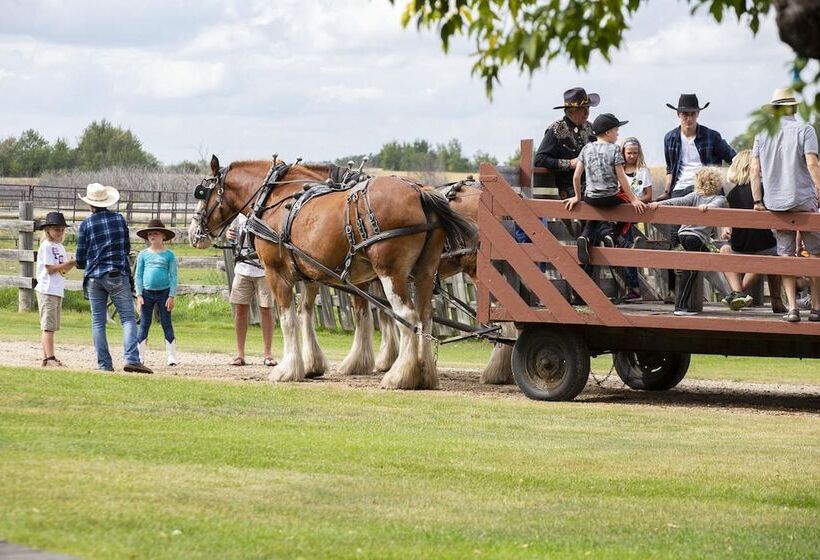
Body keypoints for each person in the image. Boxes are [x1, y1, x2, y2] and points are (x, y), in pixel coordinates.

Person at [751, 87, 820, 323]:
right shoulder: (805, 130)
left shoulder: (761, 134)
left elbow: (754, 170)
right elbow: (812, 164)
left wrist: (758, 201)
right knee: (816, 253)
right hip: (803, 201)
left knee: (785, 255)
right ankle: (816, 307)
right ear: (794, 108)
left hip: (776, 204)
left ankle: (792, 308)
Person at [659, 94, 736, 300]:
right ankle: (674, 291)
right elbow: (671, 168)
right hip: (680, 188)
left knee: (709, 239)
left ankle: (726, 291)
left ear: (698, 114)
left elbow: (733, 157)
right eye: (685, 114)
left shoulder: (712, 136)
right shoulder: (670, 137)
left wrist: (741, 174)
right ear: (678, 115)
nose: (688, 118)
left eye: (692, 114)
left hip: (706, 189)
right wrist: (666, 191)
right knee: (675, 239)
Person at [75, 183, 152, 374]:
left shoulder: (86, 225)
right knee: (128, 318)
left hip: (94, 276)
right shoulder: (119, 219)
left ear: (90, 204)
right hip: (117, 274)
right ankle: (131, 358)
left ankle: (104, 364)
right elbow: (126, 248)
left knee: (98, 322)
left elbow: (80, 258)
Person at [564, 113, 646, 267]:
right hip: (610, 197)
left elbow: (576, 177)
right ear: (608, 132)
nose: (618, 134)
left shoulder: (586, 148)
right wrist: (634, 199)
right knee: (628, 207)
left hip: (591, 198)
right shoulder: (614, 149)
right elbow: (621, 178)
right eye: (616, 130)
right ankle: (614, 236)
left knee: (595, 215)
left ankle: (585, 237)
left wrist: (577, 197)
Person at [650, 167, 728, 316]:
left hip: (683, 235)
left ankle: (683, 305)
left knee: (699, 264)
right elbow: (715, 205)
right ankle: (680, 308)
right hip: (695, 238)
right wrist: (707, 207)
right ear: (716, 183)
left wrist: (660, 203)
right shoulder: (719, 198)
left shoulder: (695, 195)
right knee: (691, 272)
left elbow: (678, 201)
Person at [719, 150, 785, 313]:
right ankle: (775, 300)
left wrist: (727, 228)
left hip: (739, 248)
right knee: (774, 253)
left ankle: (737, 293)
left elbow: (730, 222)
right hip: (764, 249)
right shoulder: (762, 189)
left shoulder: (731, 194)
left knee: (724, 249)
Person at [531, 87, 599, 238]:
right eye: (583, 109)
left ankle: (607, 240)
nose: (587, 112)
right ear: (571, 111)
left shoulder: (590, 128)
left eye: (588, 108)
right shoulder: (556, 130)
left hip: (592, 185)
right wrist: (570, 164)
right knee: (594, 211)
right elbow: (540, 159)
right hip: (570, 188)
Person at [226, 213, 277, 366]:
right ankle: (240, 354)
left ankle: (268, 353)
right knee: (240, 310)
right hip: (242, 268)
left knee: (266, 309)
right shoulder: (238, 216)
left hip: (264, 270)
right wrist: (229, 236)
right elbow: (233, 237)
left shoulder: (266, 214)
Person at [135, 219, 179, 366]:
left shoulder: (169, 255)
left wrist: (171, 295)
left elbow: (173, 276)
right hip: (146, 294)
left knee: (166, 323)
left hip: (164, 293)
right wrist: (139, 295)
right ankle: (140, 356)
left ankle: (171, 355)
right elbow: (138, 275)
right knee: (144, 323)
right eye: (150, 234)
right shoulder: (143, 255)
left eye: (156, 233)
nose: (152, 236)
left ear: (163, 236)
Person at [34, 212, 75, 367]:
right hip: (47, 289)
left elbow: (62, 271)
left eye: (62, 229)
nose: (60, 232)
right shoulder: (46, 246)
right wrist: (68, 263)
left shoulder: (60, 247)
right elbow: (50, 269)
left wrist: (71, 264)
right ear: (48, 230)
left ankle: (46, 358)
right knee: (48, 327)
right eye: (57, 229)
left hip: (57, 289)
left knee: (50, 326)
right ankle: (51, 358)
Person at [620, 137, 653, 299]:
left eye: (635, 153)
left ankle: (634, 288)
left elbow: (648, 195)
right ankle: (631, 287)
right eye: (629, 153)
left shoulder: (643, 171)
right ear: (623, 153)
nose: (632, 156)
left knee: (626, 248)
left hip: (635, 212)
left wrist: (636, 201)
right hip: (620, 212)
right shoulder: (619, 170)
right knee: (622, 248)